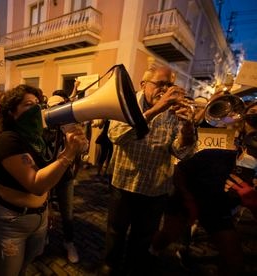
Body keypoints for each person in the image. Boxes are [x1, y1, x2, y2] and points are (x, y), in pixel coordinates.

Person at [0, 84, 88, 276]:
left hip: (38, 219)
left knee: (21, 269)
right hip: (11, 222)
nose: (37, 109)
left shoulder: (35, 139)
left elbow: (47, 177)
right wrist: (68, 154)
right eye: (28, 105)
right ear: (12, 112)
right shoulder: (8, 140)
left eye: (38, 104)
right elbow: (36, 184)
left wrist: (45, 208)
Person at [103, 66, 197, 275]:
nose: (165, 90)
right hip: (124, 183)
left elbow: (180, 152)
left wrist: (188, 129)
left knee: (144, 235)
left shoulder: (175, 111)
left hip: (156, 188)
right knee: (115, 231)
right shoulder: (124, 104)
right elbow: (116, 136)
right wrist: (156, 110)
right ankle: (110, 265)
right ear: (144, 84)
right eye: (160, 84)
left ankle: (134, 267)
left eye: (170, 85)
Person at [150, 100, 257, 276]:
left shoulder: (245, 150)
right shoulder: (211, 145)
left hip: (217, 207)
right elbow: (180, 171)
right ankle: (151, 254)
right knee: (167, 235)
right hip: (186, 200)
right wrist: (189, 200)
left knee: (234, 258)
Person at [44, 94, 80, 264]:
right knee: (44, 209)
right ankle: (43, 237)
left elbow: (84, 148)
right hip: (46, 173)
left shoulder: (70, 126)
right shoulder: (43, 126)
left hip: (65, 176)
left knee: (67, 212)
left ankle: (69, 242)